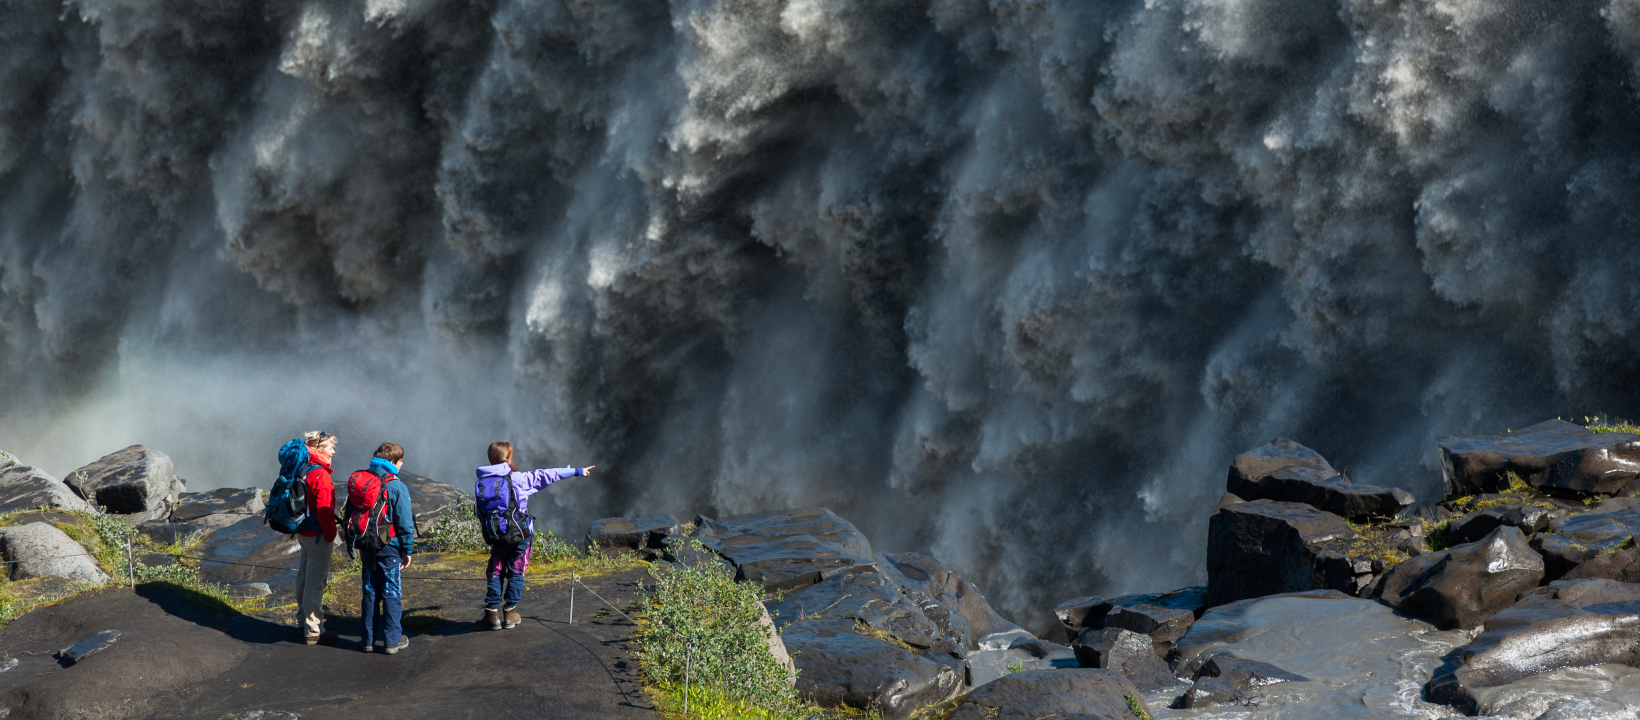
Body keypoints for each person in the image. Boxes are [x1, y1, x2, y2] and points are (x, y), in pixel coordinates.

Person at [475, 441, 594, 630]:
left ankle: (491, 614)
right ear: (508, 458)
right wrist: (578, 471)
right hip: (521, 535)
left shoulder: (482, 482)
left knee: (496, 571)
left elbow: (480, 513)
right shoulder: (519, 479)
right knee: (516, 571)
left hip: (496, 535)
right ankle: (510, 614)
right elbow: (549, 475)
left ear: (490, 458)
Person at [347, 441, 416, 654]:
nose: (402, 465)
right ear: (393, 462)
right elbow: (404, 522)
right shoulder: (395, 485)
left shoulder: (362, 479)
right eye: (401, 462)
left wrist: (355, 542)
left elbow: (350, 513)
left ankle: (367, 640)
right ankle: (392, 641)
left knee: (369, 591)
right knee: (391, 591)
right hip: (389, 546)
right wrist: (407, 550)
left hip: (366, 545)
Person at [295, 430, 339, 646]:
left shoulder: (303, 467)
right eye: (331, 447)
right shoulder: (320, 473)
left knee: (304, 576)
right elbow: (323, 509)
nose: (333, 451)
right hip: (318, 534)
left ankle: (302, 620)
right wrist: (331, 534)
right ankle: (313, 628)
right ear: (320, 448)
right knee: (315, 581)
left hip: (303, 531)